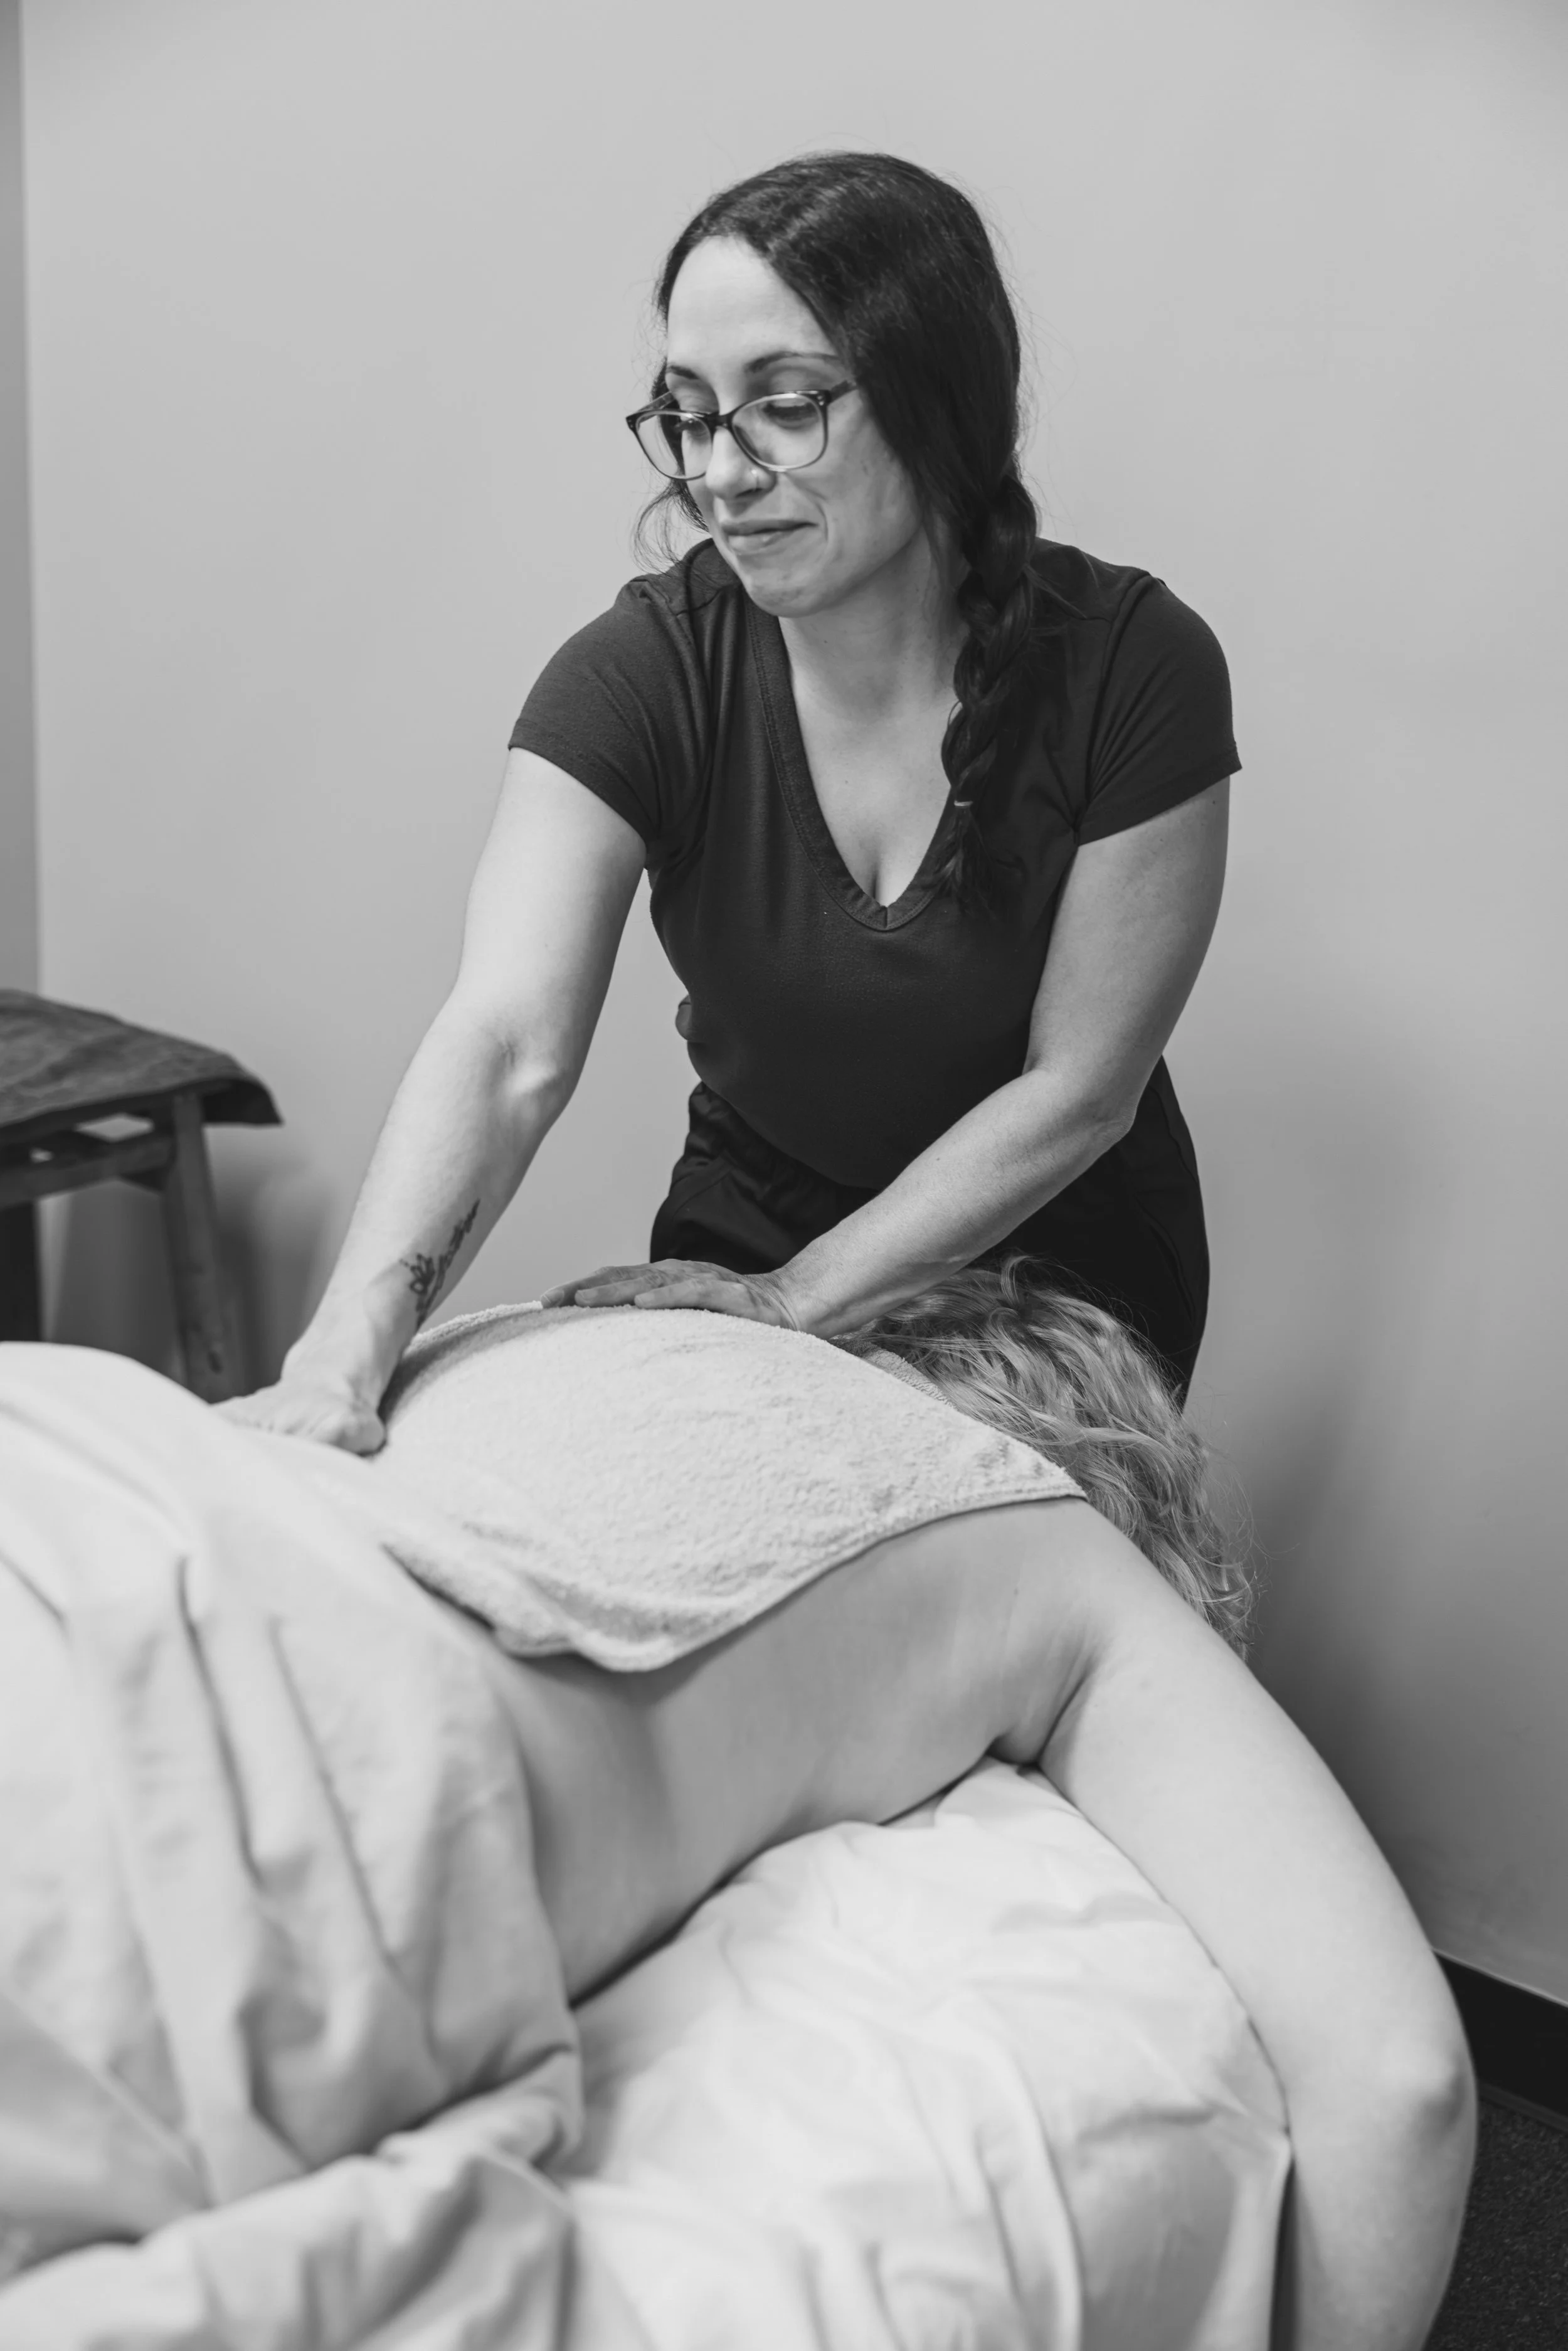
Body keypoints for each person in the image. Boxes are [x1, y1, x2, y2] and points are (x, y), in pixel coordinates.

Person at [1, 1270, 1472, 2350]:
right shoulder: (1036, 1525)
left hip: (71, 1452)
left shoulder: (562, 1322)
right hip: (282, 1755)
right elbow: (1399, 2079)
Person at [227, 149, 1236, 1455]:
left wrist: (797, 1301)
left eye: (785, 405)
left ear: (940, 406)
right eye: (691, 413)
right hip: (749, 1232)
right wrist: (341, 1355)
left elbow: (1080, 1092)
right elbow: (505, 1041)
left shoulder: (1134, 662)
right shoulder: (643, 671)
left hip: (1054, 1269)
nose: (722, 472)